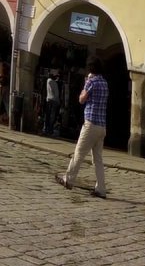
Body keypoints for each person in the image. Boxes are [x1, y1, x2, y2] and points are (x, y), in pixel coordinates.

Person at [55, 56, 108, 198]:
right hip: (102, 127)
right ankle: (101, 189)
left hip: (90, 124)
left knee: (79, 152)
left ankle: (68, 179)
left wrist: (86, 83)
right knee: (98, 160)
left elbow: (81, 99)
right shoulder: (104, 83)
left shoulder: (91, 82)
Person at [43, 71, 61, 137]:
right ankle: (49, 130)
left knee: (47, 115)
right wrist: (58, 101)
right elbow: (56, 94)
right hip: (54, 101)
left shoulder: (48, 81)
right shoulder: (54, 83)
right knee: (52, 117)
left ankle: (45, 129)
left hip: (49, 100)